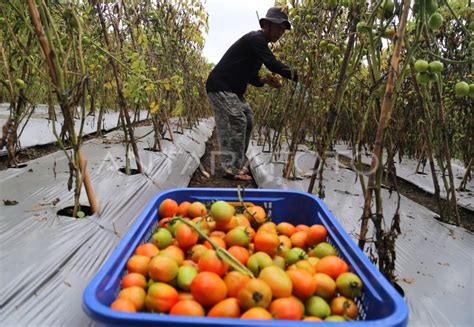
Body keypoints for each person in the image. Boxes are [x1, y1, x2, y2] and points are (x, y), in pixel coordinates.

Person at [206, 7, 299, 181]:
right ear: (267, 25)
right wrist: (299, 77)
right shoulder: (255, 38)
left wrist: (264, 81)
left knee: (247, 118)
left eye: (283, 30)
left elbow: (251, 77)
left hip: (232, 90)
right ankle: (230, 169)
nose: (280, 33)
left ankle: (237, 164)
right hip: (220, 86)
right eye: (278, 28)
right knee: (237, 120)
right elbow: (272, 63)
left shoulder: (259, 47)